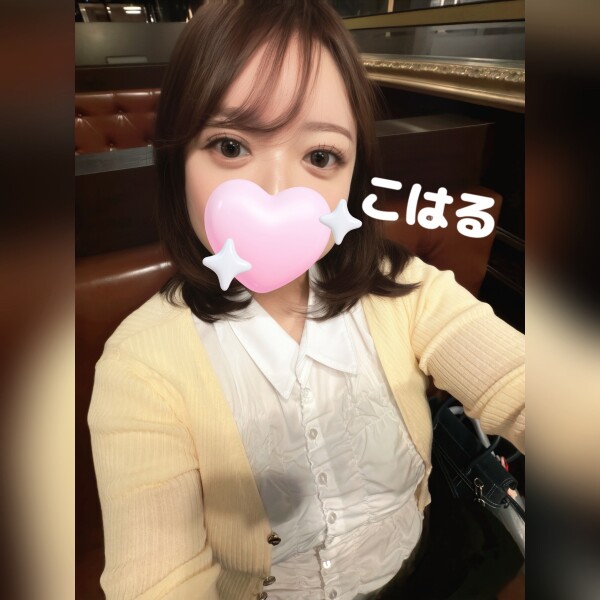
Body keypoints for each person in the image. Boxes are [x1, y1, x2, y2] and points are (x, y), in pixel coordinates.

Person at [88, 1, 525, 599]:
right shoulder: (140, 363)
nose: (276, 192)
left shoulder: (407, 290)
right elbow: (158, 579)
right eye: (230, 146)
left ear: (352, 177)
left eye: (320, 156)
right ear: (176, 161)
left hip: (420, 570)